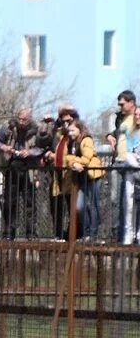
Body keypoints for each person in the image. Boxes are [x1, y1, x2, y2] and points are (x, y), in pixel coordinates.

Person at [0, 108, 41, 240]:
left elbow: (41, 148)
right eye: (20, 118)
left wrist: (30, 152)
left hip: (28, 168)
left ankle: (31, 233)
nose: (21, 122)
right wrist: (5, 148)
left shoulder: (35, 130)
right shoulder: (8, 127)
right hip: (12, 165)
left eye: (24, 119)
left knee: (29, 202)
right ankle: (9, 231)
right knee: (10, 201)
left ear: (29, 119)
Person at [60, 116, 104, 240]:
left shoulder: (86, 139)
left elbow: (86, 158)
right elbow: (66, 158)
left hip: (93, 175)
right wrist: (74, 163)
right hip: (82, 177)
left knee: (93, 204)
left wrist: (74, 161)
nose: (70, 133)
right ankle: (86, 232)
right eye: (69, 131)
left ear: (80, 130)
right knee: (79, 206)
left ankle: (92, 233)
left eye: (73, 130)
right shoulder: (70, 143)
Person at [106, 90, 140, 243]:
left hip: (132, 164)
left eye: (122, 104)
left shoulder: (136, 117)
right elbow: (117, 132)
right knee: (116, 200)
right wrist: (110, 136)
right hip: (119, 161)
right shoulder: (121, 118)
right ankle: (118, 234)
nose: (120, 106)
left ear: (131, 103)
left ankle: (131, 235)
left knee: (129, 201)